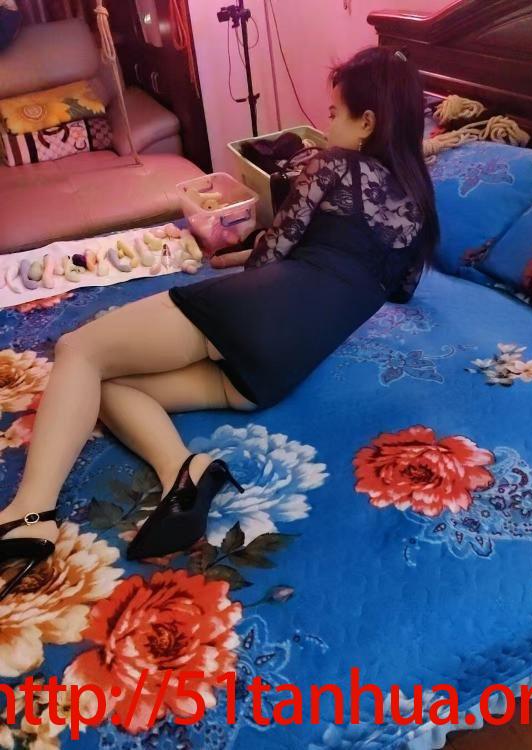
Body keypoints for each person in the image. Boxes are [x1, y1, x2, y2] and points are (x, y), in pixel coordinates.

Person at [0, 45, 439, 598]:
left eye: (334, 114)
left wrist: (239, 261)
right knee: (107, 385)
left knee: (78, 349)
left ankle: (30, 513)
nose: (328, 126)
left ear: (367, 122)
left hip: (254, 313)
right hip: (279, 370)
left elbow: (272, 256)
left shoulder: (334, 163)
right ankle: (185, 471)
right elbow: (393, 288)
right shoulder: (421, 210)